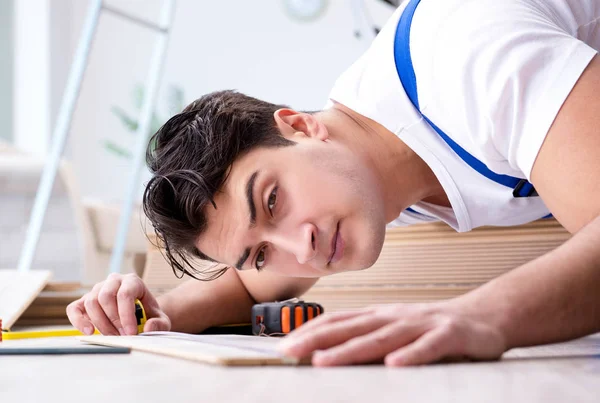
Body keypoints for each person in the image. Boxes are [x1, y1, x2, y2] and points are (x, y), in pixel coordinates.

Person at [67, 0, 600, 367]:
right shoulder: (354, 171)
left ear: (298, 125)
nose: (303, 249)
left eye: (272, 202)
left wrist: (481, 317)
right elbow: (251, 283)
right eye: (259, 252)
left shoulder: (472, 64)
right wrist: (160, 314)